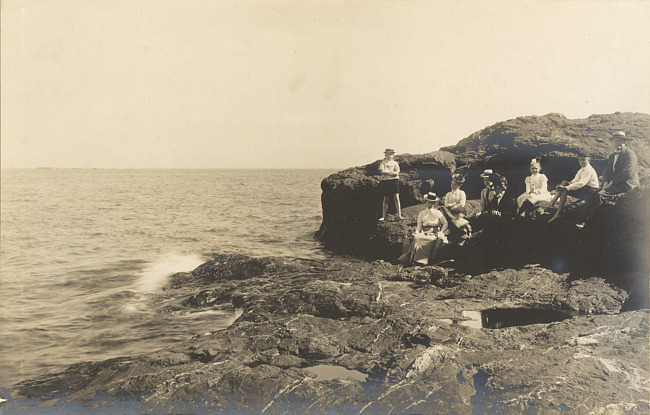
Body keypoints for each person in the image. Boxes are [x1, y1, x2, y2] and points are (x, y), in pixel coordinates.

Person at [576, 131, 639, 228]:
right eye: (615, 141)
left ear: (624, 142)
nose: (617, 143)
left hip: (626, 183)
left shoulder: (630, 154)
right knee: (592, 195)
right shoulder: (612, 156)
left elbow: (627, 172)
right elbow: (607, 171)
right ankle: (579, 219)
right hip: (612, 183)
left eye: (620, 141)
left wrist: (611, 183)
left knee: (601, 195)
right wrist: (605, 181)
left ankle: (587, 222)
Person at [544, 155, 599, 223]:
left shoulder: (589, 170)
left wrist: (566, 187)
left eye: (584, 160)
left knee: (565, 190)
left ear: (589, 160)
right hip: (585, 188)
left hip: (591, 191)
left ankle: (558, 213)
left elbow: (582, 183)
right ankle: (552, 203)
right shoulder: (582, 170)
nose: (581, 161)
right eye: (580, 159)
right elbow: (575, 180)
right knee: (564, 183)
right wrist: (567, 184)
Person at [398, 192, 448, 266]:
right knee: (417, 238)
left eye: (432, 203)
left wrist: (441, 232)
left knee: (433, 240)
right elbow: (419, 226)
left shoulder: (438, 212)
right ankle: (416, 260)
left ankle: (428, 260)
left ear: (434, 204)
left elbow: (445, 223)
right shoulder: (421, 213)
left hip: (434, 233)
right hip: (424, 233)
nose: (430, 204)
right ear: (426, 203)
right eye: (429, 202)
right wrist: (417, 232)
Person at [441, 173, 471, 243]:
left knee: (453, 212)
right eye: (452, 184)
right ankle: (455, 221)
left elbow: (462, 204)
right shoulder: (448, 194)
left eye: (454, 184)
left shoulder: (462, 193)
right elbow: (446, 204)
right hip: (450, 212)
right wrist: (454, 204)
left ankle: (461, 225)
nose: (452, 186)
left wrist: (453, 207)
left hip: (459, 211)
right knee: (443, 208)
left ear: (459, 185)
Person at [378, 148, 404, 221]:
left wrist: (388, 173)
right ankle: (383, 216)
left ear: (393, 155)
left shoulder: (395, 163)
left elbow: (396, 172)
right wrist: (391, 173)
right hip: (386, 181)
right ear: (385, 155)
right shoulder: (383, 163)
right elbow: (382, 171)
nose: (389, 156)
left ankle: (399, 215)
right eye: (387, 154)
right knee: (386, 198)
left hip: (395, 181)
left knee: (396, 197)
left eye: (391, 154)